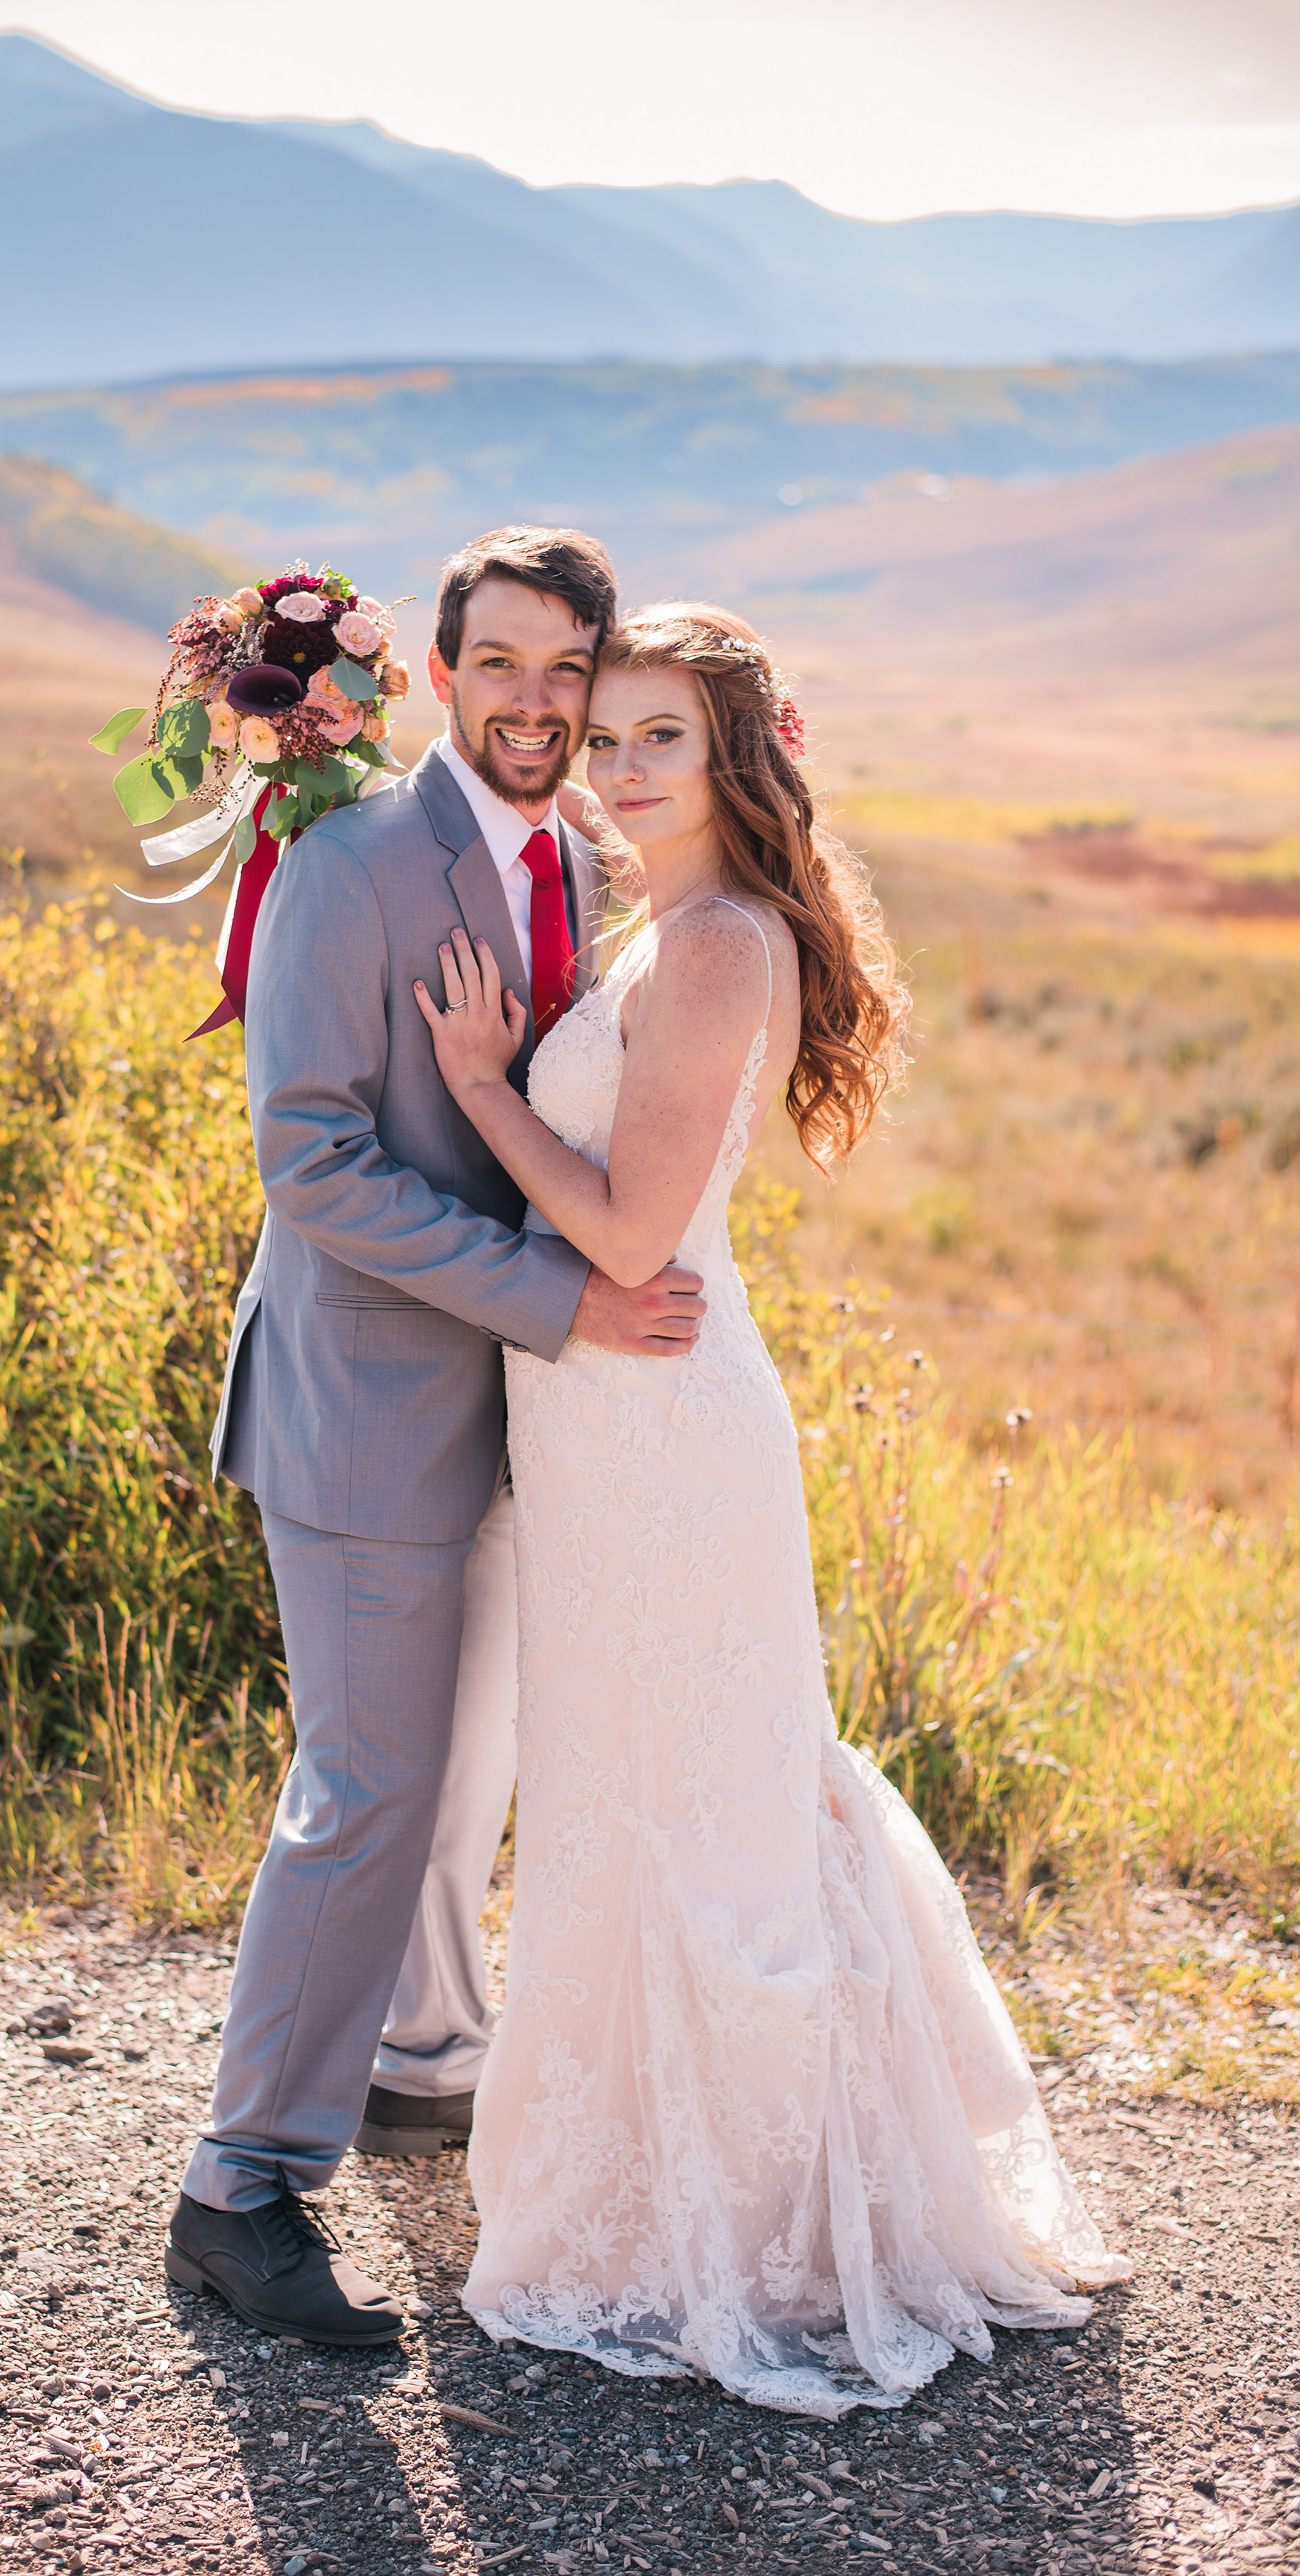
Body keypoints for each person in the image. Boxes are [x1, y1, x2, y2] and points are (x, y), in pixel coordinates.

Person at [412, 602, 1128, 2416]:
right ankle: (655, 2189)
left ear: (741, 760)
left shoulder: (717, 944)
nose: (622, 764)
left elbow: (632, 1236)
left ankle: (755, 2216)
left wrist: (487, 1091)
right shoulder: (667, 925)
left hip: (660, 1423)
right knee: (633, 1782)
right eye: (611, 732)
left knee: (702, 1794)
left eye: (665, 737)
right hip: (606, 1422)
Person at [166, 528, 708, 2345]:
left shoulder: (580, 861)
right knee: (367, 1790)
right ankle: (240, 2188)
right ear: (443, 676)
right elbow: (310, 1163)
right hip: (366, 1409)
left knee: (454, 1782)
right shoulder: (352, 866)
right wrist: (559, 1301)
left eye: (569, 670)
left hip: (512, 1424)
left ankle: (411, 2064)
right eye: (503, 666)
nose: (540, 704)